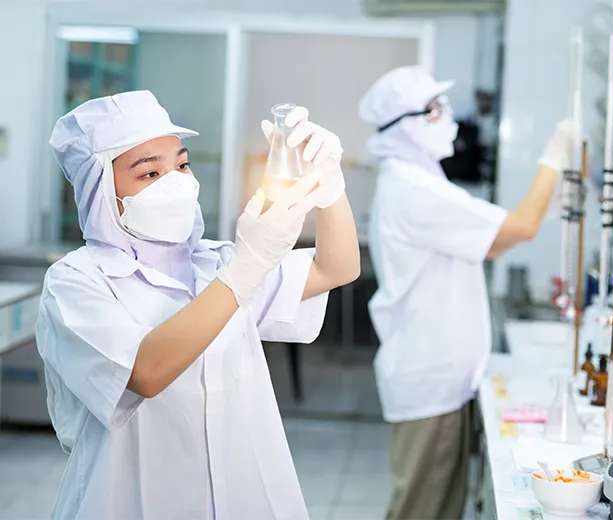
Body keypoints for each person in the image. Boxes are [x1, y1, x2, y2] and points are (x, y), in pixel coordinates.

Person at [36, 90, 360, 520]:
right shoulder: (74, 283)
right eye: (150, 173)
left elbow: (337, 268)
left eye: (182, 164)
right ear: (100, 192)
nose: (175, 181)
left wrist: (329, 186)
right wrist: (244, 271)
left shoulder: (217, 262)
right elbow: (146, 372)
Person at [358, 66, 576, 520]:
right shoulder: (413, 189)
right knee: (422, 511)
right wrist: (553, 157)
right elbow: (521, 228)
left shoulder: (419, 180)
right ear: (405, 125)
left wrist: (555, 197)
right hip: (429, 378)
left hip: (438, 375)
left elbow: (494, 243)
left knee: (439, 507)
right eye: (434, 108)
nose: (448, 116)